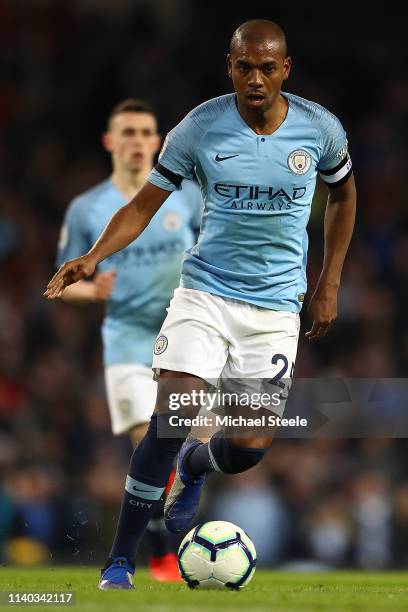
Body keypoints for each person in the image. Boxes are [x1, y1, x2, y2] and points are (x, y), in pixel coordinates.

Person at [45, 19, 356, 590]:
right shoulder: (200, 128)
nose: (255, 78)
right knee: (174, 418)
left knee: (248, 447)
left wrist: (328, 282)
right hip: (206, 294)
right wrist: (93, 256)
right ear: (229, 67)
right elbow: (142, 206)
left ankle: (196, 465)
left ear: (285, 70)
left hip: (276, 309)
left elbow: (343, 194)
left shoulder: (320, 129)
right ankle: (120, 562)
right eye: (245, 67)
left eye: (267, 68)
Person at [55, 98, 203, 581]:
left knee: (176, 443)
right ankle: (155, 554)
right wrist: (90, 288)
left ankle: (158, 548)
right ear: (110, 142)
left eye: (146, 133)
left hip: (184, 334)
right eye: (129, 133)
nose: (138, 141)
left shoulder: (185, 197)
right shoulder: (87, 209)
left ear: (158, 142)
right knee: (150, 436)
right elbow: (63, 281)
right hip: (125, 341)